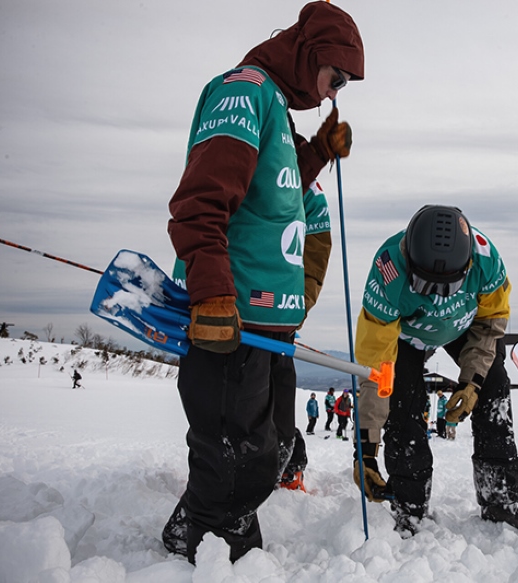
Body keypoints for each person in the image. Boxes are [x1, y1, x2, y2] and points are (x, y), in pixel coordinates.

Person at [162, 2, 364, 564]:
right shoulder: (244, 91)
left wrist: (318, 151)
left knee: (264, 450)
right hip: (235, 314)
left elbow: (273, 193)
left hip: (266, 321)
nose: (334, 92)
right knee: (237, 456)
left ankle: (209, 529)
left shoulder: (273, 104)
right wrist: (212, 291)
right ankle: (211, 550)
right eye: (337, 76)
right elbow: (200, 201)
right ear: (311, 54)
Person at [351, 205, 518, 535]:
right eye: (426, 287)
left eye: (447, 288)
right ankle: (409, 505)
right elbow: (374, 368)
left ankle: (501, 498)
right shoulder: (387, 274)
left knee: (493, 387)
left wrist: (472, 383)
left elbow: (490, 323)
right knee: (403, 404)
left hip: (464, 328)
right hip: (406, 340)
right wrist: (365, 452)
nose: (437, 298)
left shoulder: (486, 261)